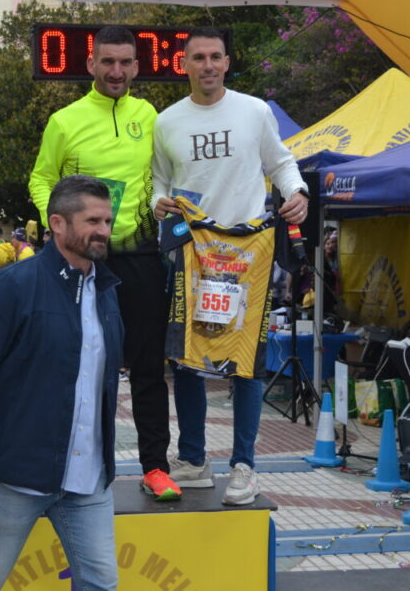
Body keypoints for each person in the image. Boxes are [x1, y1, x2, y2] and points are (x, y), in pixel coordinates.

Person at [0, 175, 123, 590]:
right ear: (57, 223)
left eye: (108, 221)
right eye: (93, 220)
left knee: (102, 583)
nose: (104, 231)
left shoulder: (106, 289)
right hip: (14, 478)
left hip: (88, 480)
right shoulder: (14, 285)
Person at [152, 26, 309, 506]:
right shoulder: (167, 122)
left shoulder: (254, 111)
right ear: (183, 63)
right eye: (197, 57)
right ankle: (194, 461)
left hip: (247, 257)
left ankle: (244, 466)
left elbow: (280, 162)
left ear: (227, 61)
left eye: (215, 56)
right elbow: (159, 178)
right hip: (190, 254)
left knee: (246, 365)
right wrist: (158, 201)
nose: (207, 66)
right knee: (186, 361)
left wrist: (298, 192)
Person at [28, 25, 180, 500]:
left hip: (138, 254)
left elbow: (163, 176)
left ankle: (155, 467)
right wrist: (59, 228)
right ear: (91, 64)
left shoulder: (149, 114)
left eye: (125, 63)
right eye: (107, 62)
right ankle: (65, 465)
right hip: (79, 259)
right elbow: (40, 179)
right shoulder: (64, 120)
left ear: (137, 66)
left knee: (148, 367)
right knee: (74, 361)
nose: (116, 71)